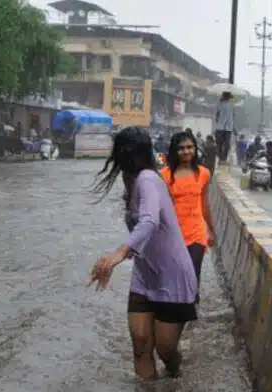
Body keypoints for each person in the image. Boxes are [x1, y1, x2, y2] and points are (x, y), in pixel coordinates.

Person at [89, 127, 197, 380]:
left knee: (166, 350)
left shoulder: (148, 178)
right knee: (140, 345)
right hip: (144, 275)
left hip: (173, 277)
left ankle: (176, 375)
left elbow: (149, 221)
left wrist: (120, 253)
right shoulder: (131, 180)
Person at [160, 131, 215, 304]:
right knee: (175, 274)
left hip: (197, 233)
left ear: (195, 149)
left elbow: (204, 203)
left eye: (190, 147)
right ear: (174, 151)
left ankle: (190, 310)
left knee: (193, 272)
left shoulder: (204, 173)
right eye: (181, 148)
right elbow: (160, 207)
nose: (186, 151)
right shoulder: (165, 175)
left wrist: (211, 230)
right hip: (173, 234)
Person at [214, 92, 235, 164]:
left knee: (221, 144)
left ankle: (222, 158)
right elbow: (233, 116)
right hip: (225, 127)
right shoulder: (220, 104)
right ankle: (222, 159)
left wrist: (218, 119)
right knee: (225, 144)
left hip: (224, 127)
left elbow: (216, 115)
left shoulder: (231, 105)